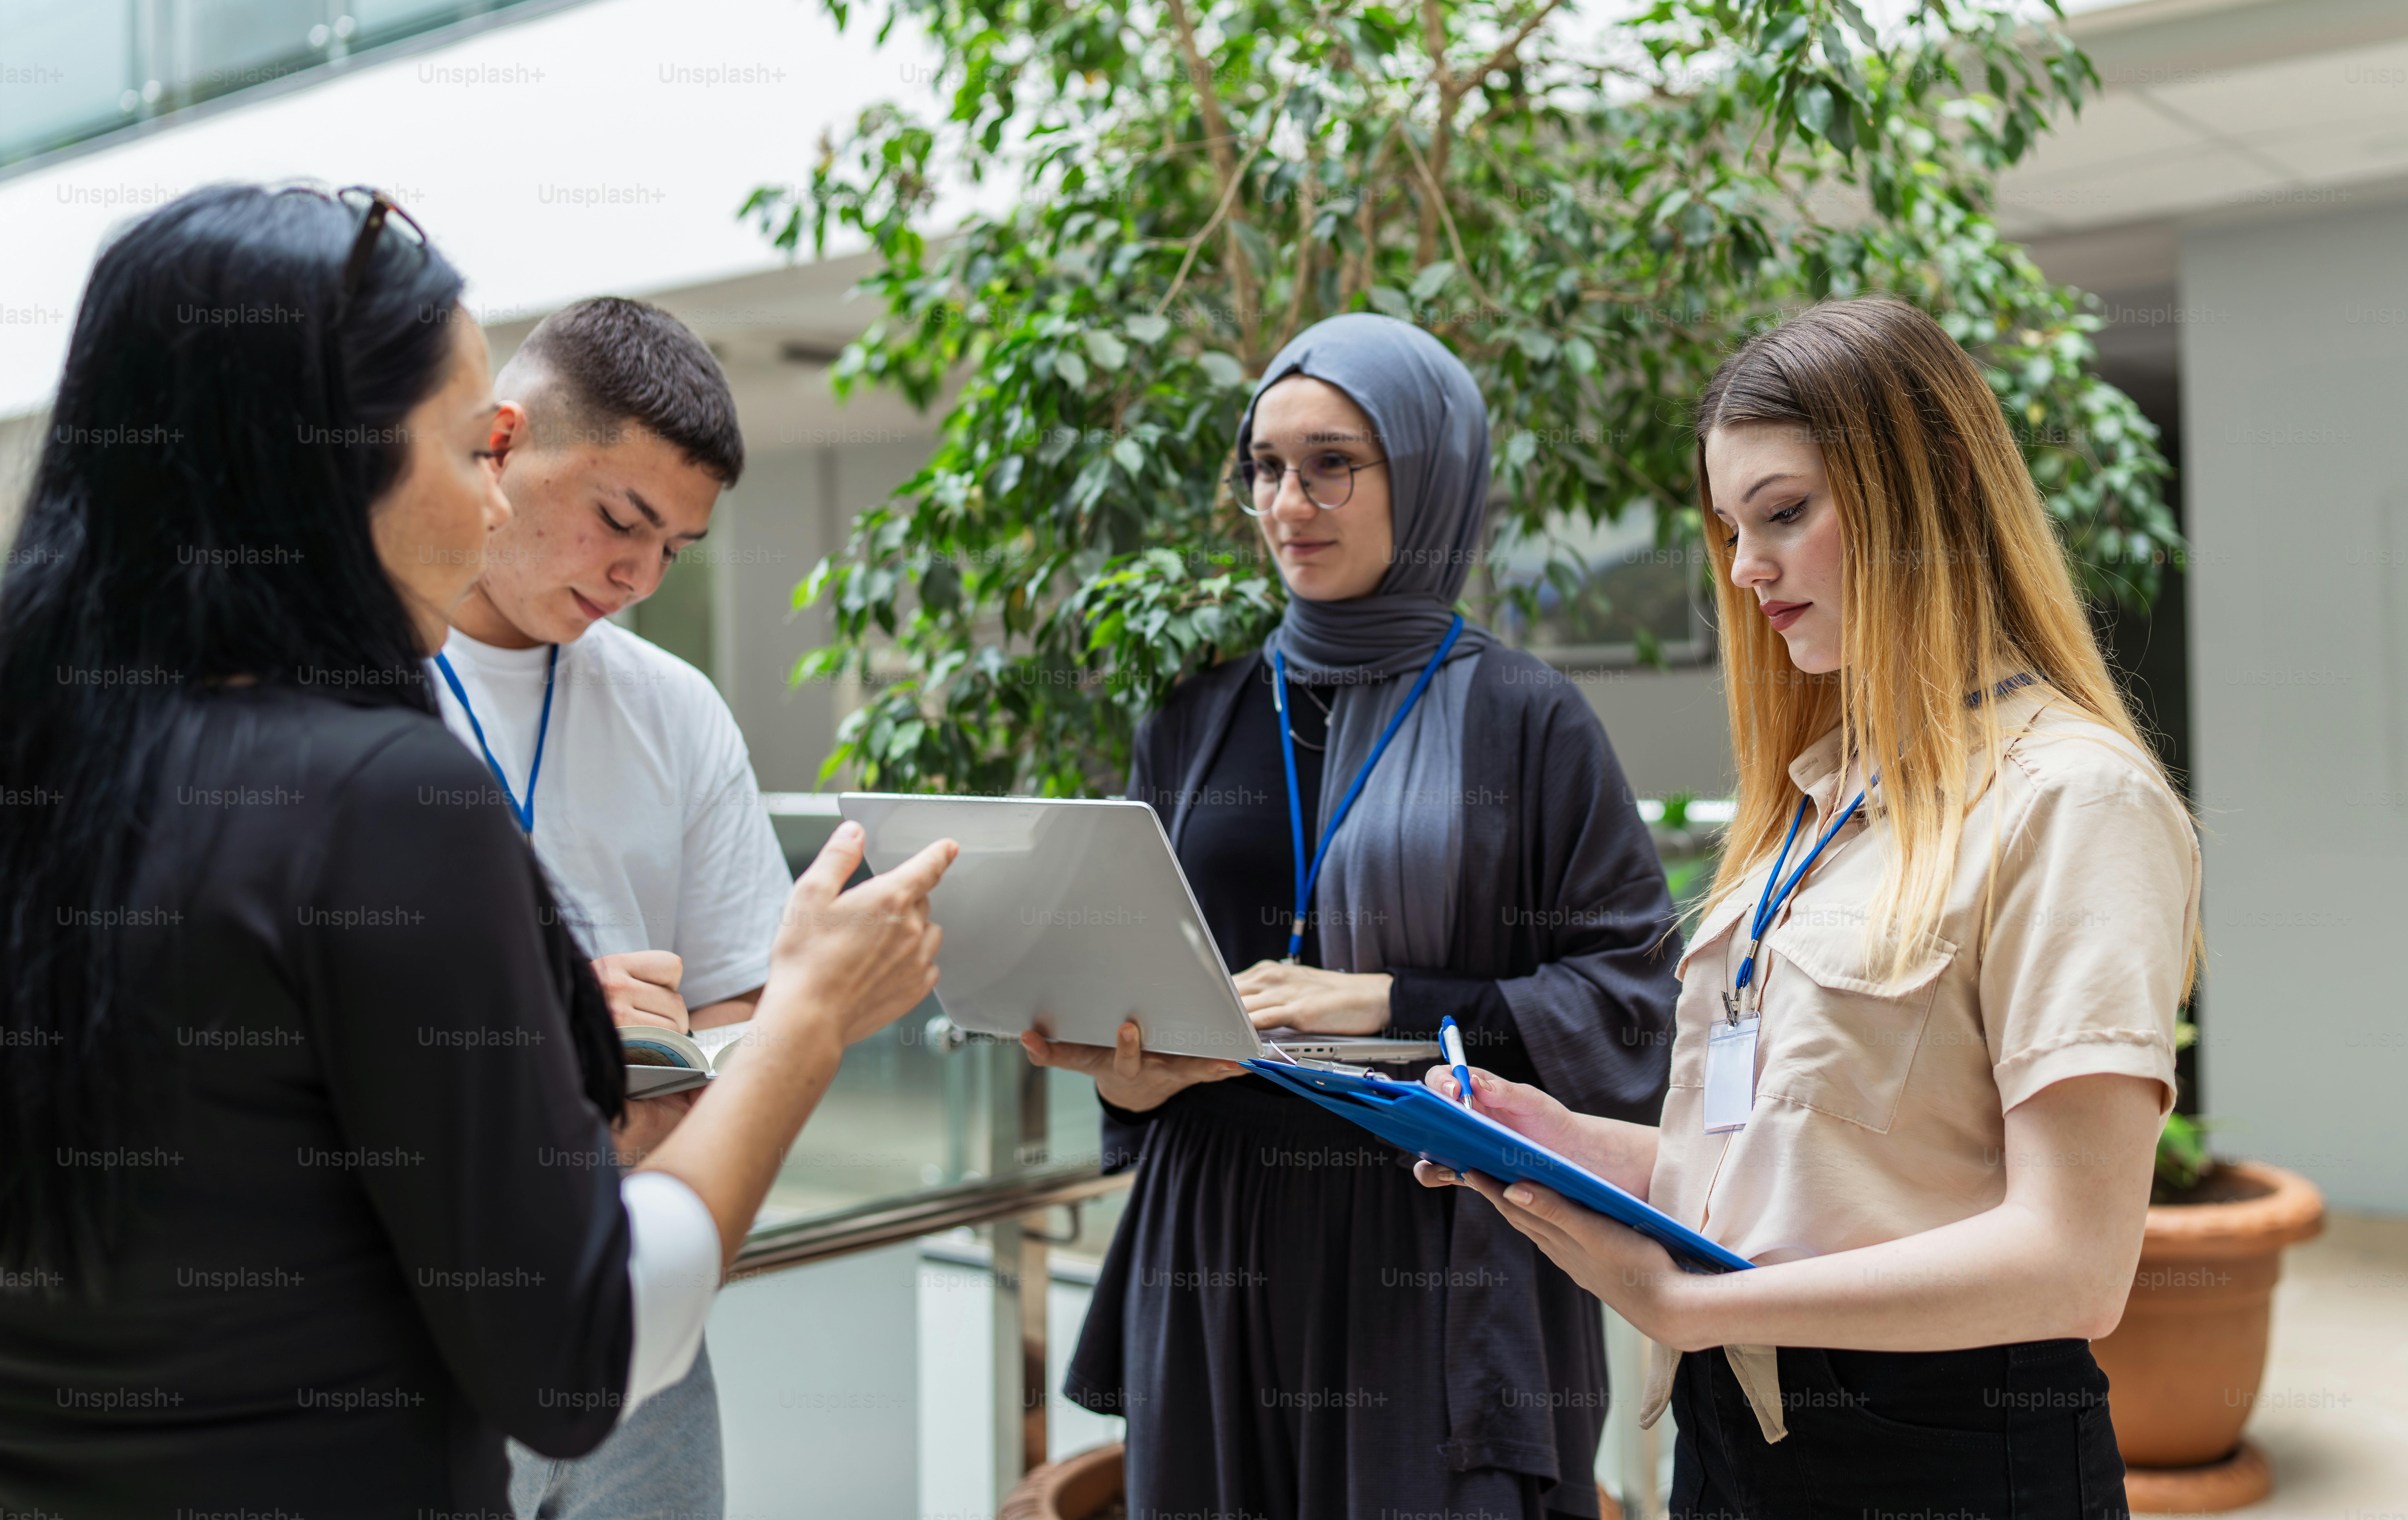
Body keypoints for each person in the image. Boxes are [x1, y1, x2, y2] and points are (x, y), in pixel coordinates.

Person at [0, 184, 956, 1517]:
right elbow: (574, 1358)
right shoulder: (382, 797)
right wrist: (807, 1020)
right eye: (472, 450)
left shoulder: (61, 759)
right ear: (319, 460)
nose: (492, 509)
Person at [1415, 297, 2198, 1517]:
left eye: (1784, 514)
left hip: (1942, 1449)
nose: (1745, 570)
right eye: (1730, 528)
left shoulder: (2074, 800)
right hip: (1735, 1435)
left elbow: (2074, 1265)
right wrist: (1558, 1140)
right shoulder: (1816, 794)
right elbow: (1796, 1174)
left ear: (1927, 501)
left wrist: (1687, 1303)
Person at [1024, 313, 1680, 1519]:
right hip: (1216, 1235)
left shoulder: (1526, 719)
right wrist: (1126, 1072)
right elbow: (1141, 969)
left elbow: (1636, 1004)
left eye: (1333, 464)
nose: (1289, 502)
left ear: (1426, 477)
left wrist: (1390, 1004)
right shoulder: (1200, 713)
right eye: (1266, 468)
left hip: (1433, 1235)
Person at [418, 294, 793, 1519]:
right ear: (504, 441)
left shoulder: (675, 709)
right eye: (619, 520)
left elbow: (747, 1010)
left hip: (640, 1331)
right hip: (412, 1340)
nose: (637, 576)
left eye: (674, 551)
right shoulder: (351, 690)